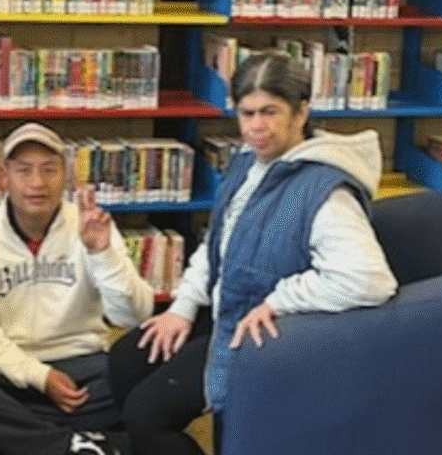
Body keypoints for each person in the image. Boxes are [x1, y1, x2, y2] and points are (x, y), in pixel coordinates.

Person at [107, 51, 399, 455]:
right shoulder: (248, 164)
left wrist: (281, 300)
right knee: (128, 357)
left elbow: (369, 280)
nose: (256, 127)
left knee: (148, 414)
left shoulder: (325, 192)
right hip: (230, 304)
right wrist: (183, 307)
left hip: (271, 335)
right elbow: (216, 246)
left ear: (301, 113)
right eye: (246, 114)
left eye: (270, 112)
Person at [0, 122, 154, 455]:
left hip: (83, 370)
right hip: (10, 371)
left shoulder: (92, 225)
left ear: (67, 176)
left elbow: (133, 316)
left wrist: (102, 254)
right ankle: (69, 445)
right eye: (23, 171)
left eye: (49, 170)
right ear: (3, 176)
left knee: (145, 372)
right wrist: (40, 377)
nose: (37, 183)